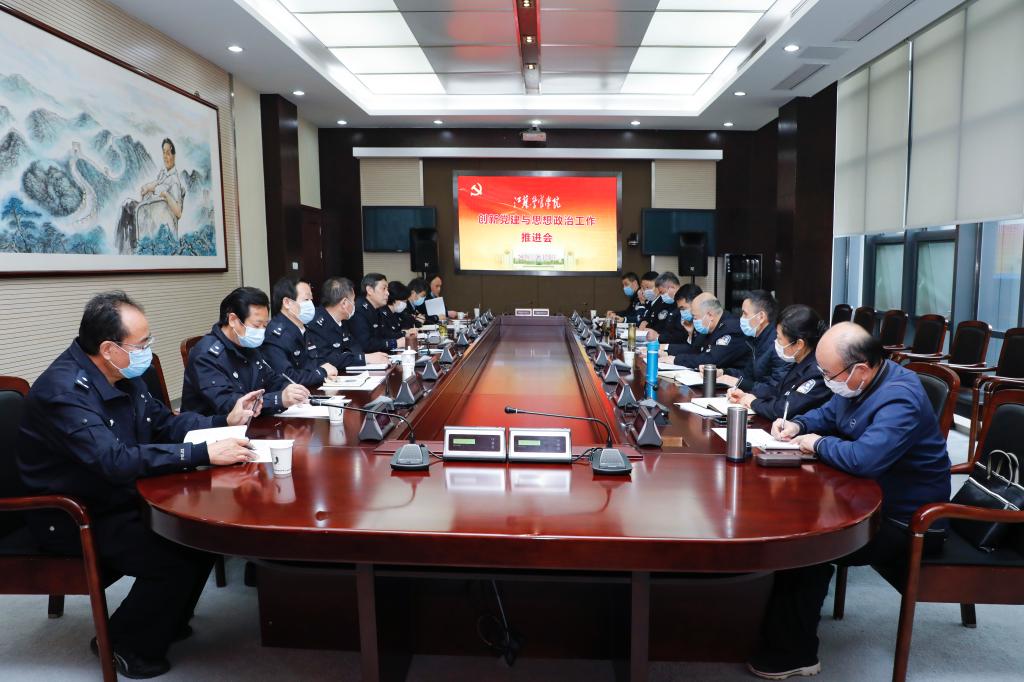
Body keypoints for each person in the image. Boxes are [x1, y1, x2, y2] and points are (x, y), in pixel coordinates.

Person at [17, 291, 260, 678]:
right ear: (109, 348)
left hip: (116, 495)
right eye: (142, 344)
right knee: (174, 553)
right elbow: (114, 461)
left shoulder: (121, 374)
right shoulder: (64, 392)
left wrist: (223, 422)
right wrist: (200, 454)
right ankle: (123, 643)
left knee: (200, 536)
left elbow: (163, 423)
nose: (148, 350)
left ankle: (164, 623)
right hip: (71, 514)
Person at [748, 322, 951, 679]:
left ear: (861, 369)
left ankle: (793, 653)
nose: (826, 379)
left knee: (806, 544)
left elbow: (864, 459)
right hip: (864, 496)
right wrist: (798, 426)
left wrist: (818, 443)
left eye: (829, 374)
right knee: (790, 515)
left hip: (908, 520)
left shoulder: (900, 397)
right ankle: (767, 624)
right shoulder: (858, 383)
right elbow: (828, 414)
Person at [181, 286, 310, 415]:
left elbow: (270, 379)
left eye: (265, 325)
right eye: (256, 325)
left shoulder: (246, 343)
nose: (261, 331)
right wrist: (278, 399)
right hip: (216, 425)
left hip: (251, 421)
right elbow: (229, 404)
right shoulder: (206, 356)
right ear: (233, 320)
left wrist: (289, 388)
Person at [726, 304, 832, 420]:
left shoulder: (818, 371)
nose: (776, 342)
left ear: (799, 344)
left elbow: (784, 410)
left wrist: (753, 402)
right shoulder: (800, 361)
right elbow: (778, 392)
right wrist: (747, 396)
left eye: (779, 338)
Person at [261, 276, 337, 388]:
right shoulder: (275, 335)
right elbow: (287, 377)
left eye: (311, 299)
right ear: (287, 302)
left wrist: (325, 366)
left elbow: (314, 360)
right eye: (306, 300)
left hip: (312, 389)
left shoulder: (303, 327)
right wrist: (322, 372)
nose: (310, 304)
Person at [115, 138, 186, 255]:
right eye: (164, 153)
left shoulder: (174, 181)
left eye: (168, 153)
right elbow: (158, 182)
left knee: (127, 206)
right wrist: (148, 186)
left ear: (174, 156)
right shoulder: (164, 173)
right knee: (126, 205)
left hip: (154, 217)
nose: (165, 157)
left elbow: (178, 212)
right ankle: (123, 248)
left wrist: (166, 195)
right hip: (148, 212)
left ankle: (125, 249)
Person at [306, 277, 390, 370]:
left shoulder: (343, 320)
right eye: (353, 300)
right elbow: (328, 358)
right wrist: (364, 358)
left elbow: (355, 347)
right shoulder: (315, 323)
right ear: (344, 303)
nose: (354, 304)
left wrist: (354, 357)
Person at [712, 290, 787, 393]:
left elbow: (775, 389)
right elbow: (747, 374)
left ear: (761, 317)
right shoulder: (757, 339)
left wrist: (739, 383)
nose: (741, 318)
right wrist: (724, 372)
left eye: (745, 314)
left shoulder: (778, 344)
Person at [663, 292, 747, 370]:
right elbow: (695, 350)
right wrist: (668, 353)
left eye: (695, 317)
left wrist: (676, 360)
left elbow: (711, 360)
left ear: (710, 315)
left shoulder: (732, 329)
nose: (694, 321)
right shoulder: (708, 327)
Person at [351, 273, 414, 353]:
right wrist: (395, 343)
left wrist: (404, 334)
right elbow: (365, 344)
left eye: (387, 289)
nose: (387, 293)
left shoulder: (376, 308)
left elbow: (384, 334)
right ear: (370, 290)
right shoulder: (359, 310)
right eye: (384, 288)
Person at [653, 283, 703, 348]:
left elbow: (696, 351)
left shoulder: (705, 325)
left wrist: (666, 347)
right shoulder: (690, 322)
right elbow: (692, 349)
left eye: (683, 308)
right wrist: (690, 334)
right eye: (680, 309)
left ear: (696, 302)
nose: (682, 312)